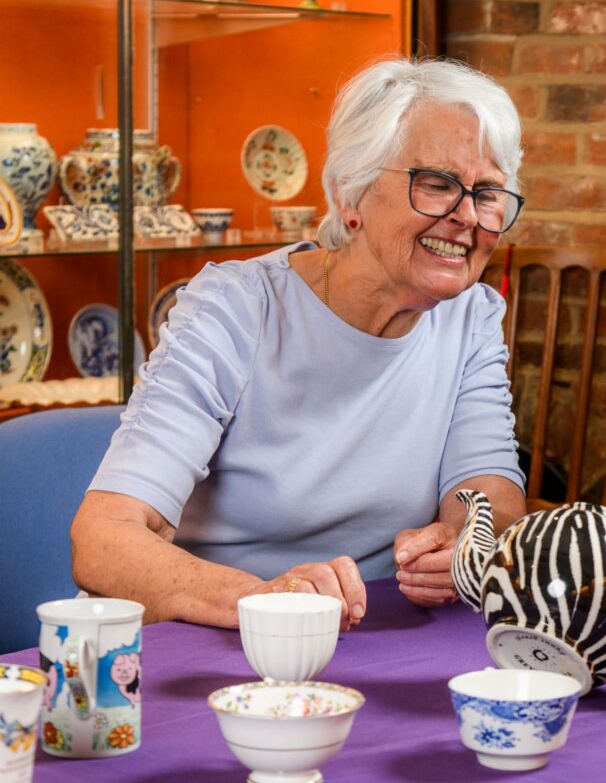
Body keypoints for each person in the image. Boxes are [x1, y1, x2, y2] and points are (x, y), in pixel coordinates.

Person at [71, 57, 529, 631]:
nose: (467, 216)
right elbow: (103, 539)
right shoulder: (236, 306)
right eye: (436, 185)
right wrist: (267, 600)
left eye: (487, 193)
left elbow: (488, 484)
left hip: (378, 634)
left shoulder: (472, 315)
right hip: (222, 638)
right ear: (350, 196)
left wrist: (462, 538)